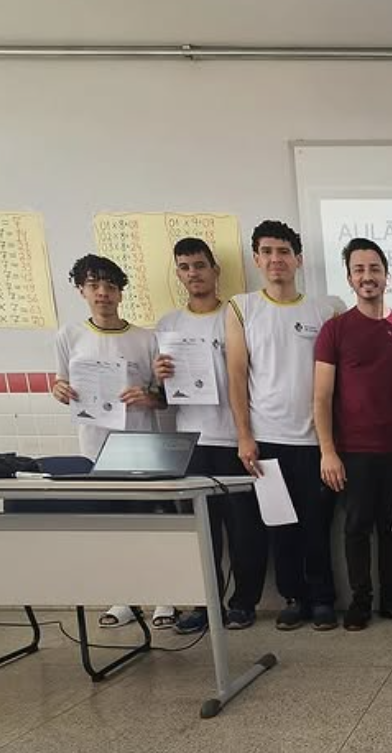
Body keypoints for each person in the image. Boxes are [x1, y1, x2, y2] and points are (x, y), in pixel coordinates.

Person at [227, 220, 344, 632]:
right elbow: (237, 375)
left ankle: (323, 597)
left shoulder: (327, 308)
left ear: (298, 259)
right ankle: (294, 598)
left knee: (318, 526)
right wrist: (244, 436)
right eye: (267, 252)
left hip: (316, 440)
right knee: (281, 527)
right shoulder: (242, 307)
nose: (276, 259)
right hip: (267, 439)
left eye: (283, 251)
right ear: (257, 259)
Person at [51, 254, 169, 629]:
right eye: (94, 286)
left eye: (110, 286)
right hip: (94, 449)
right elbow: (59, 382)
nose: (103, 293)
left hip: (141, 445)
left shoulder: (145, 338)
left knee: (152, 523)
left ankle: (165, 599)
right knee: (114, 526)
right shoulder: (70, 336)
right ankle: (123, 597)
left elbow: (164, 396)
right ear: (81, 290)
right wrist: (59, 389)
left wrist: (148, 397)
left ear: (120, 292)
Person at [155, 238, 261, 636]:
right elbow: (159, 399)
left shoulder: (236, 314)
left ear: (215, 270)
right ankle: (205, 603)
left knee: (245, 527)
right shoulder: (168, 325)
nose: (193, 273)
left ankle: (243, 603)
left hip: (235, 437)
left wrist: (246, 435)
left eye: (200, 265)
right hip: (191, 441)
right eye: (184, 267)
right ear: (179, 274)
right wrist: (159, 378)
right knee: (201, 531)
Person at [315, 238, 392, 631]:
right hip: (353, 452)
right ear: (349, 277)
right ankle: (361, 601)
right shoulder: (335, 329)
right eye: (359, 269)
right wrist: (328, 451)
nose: (367, 276)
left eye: (374, 268)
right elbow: (322, 396)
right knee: (357, 526)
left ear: (386, 275)